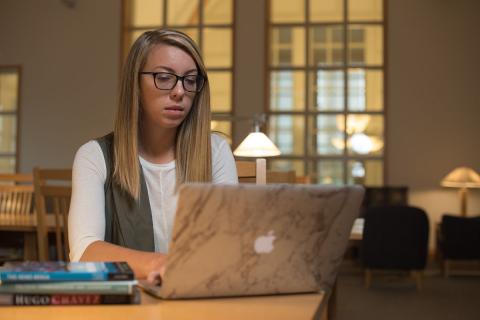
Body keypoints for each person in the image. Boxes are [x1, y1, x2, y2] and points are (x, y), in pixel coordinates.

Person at [68, 29, 238, 281]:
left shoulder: (217, 151)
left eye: (190, 80)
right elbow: (84, 252)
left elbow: (232, 243)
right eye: (164, 77)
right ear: (134, 84)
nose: (180, 91)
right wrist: (163, 265)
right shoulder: (93, 156)